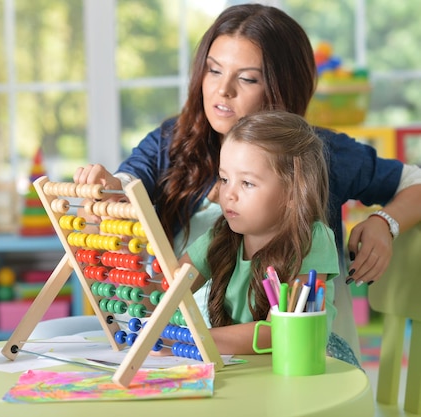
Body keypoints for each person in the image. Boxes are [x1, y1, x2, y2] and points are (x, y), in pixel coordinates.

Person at [74, 3, 421, 360]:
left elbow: (415, 182)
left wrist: (385, 222)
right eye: (213, 70)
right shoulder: (172, 143)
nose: (223, 90)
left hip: (294, 356)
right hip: (188, 352)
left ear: (283, 87)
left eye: (247, 78)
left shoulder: (317, 153)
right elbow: (130, 182)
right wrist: (109, 188)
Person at [155, 110, 343, 357]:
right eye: (224, 179)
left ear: (293, 192)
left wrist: (189, 339)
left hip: (307, 370)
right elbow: (167, 293)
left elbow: (278, 334)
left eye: (247, 183)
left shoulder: (313, 240)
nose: (229, 194)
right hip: (243, 371)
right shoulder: (221, 237)